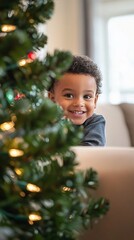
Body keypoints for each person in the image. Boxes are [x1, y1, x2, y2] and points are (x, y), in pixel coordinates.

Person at [48, 55, 106, 146]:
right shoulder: (46, 121)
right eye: (69, 95)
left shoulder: (95, 121)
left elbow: (92, 152)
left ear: (95, 101)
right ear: (52, 98)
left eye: (87, 96)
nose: (79, 103)